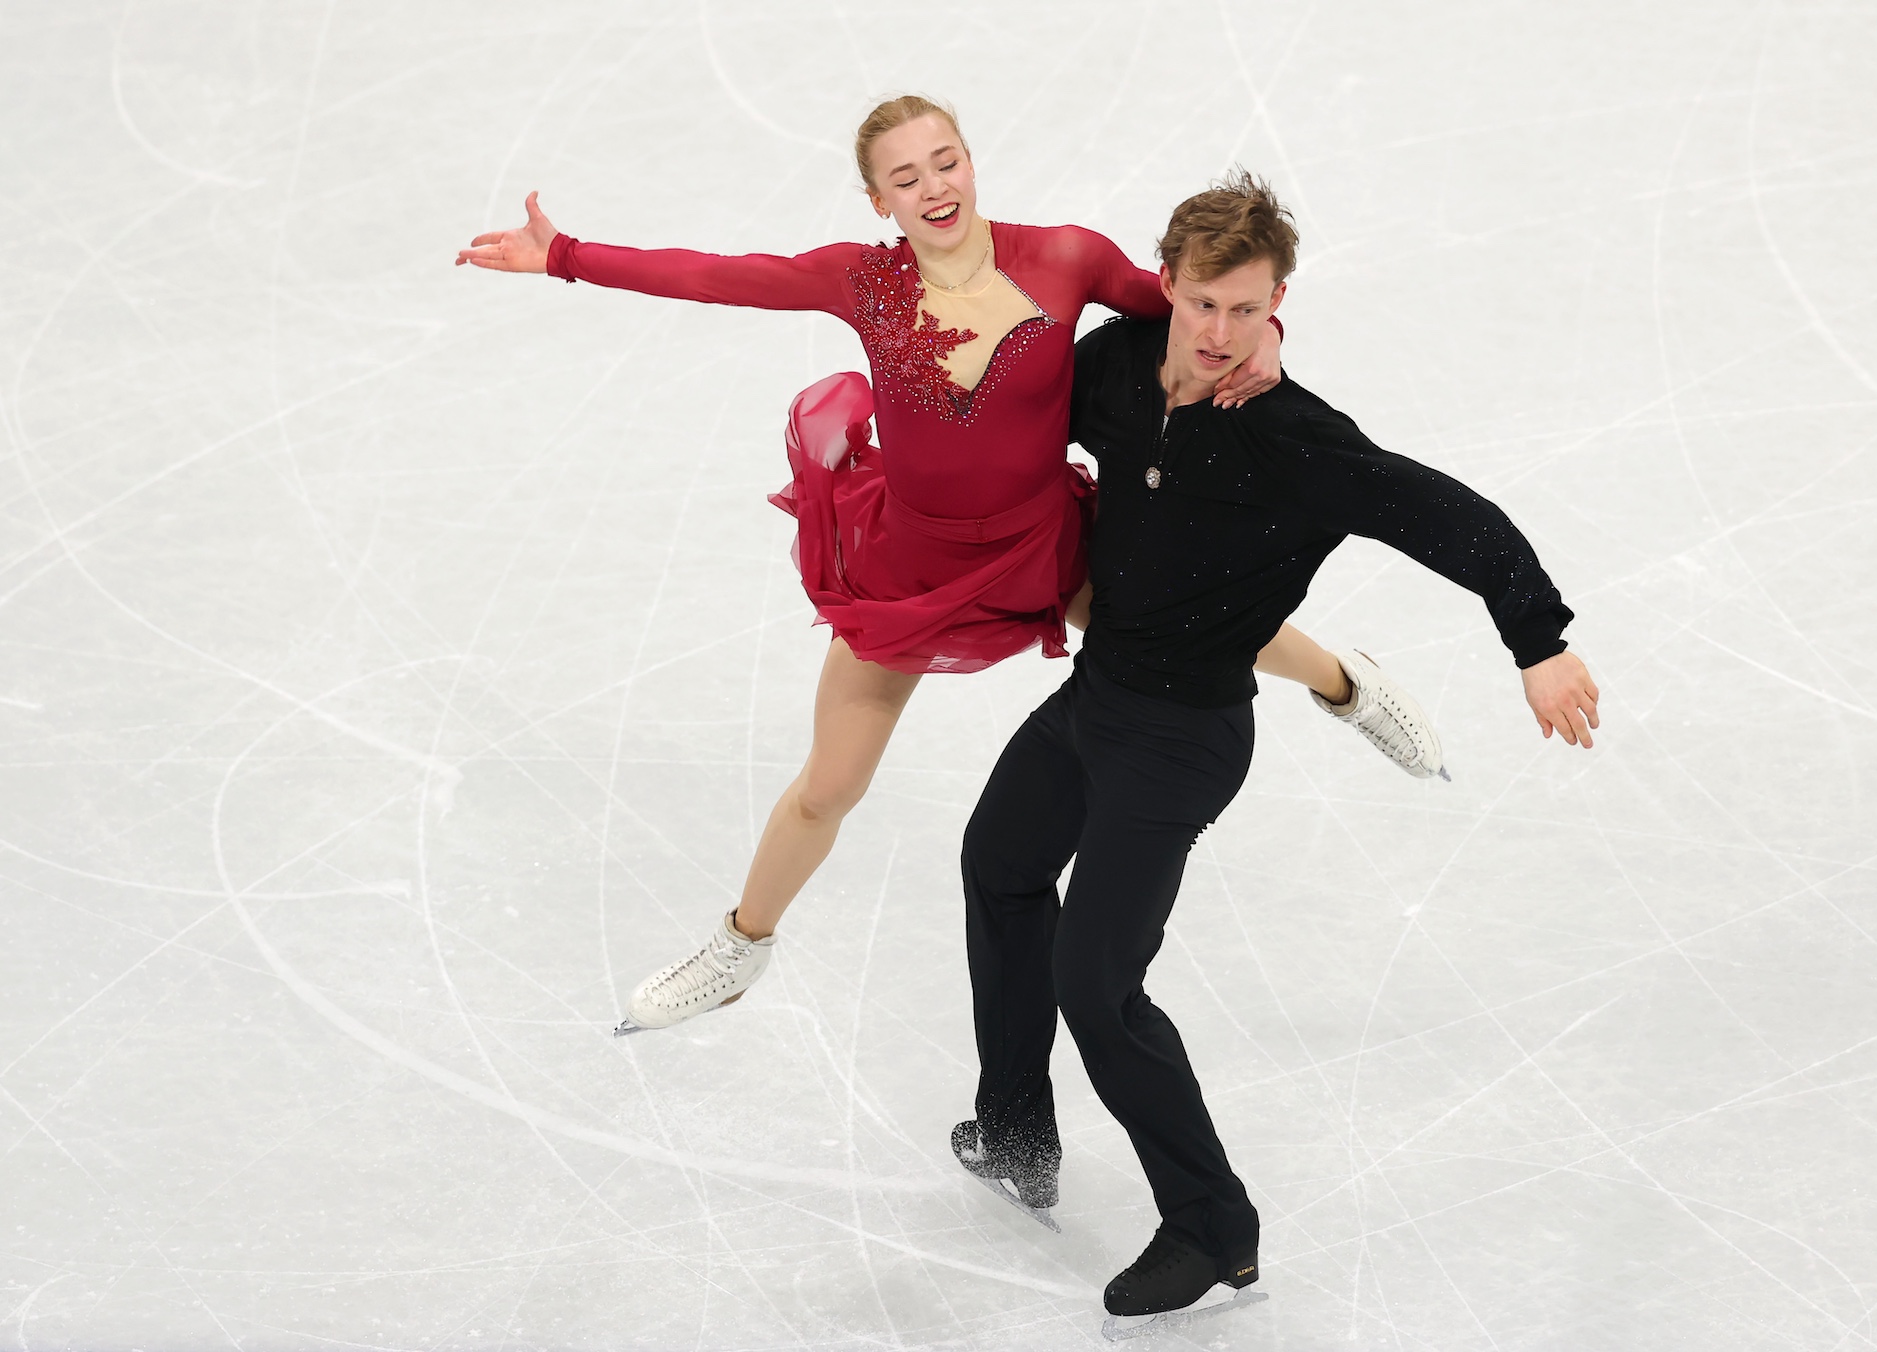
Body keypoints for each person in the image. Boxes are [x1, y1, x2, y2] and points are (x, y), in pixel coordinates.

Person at [456, 96, 1445, 1036]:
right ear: (876, 198)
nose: (932, 184)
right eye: (903, 175)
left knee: (1193, 622)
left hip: (1041, 543)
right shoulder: (860, 278)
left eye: (945, 160)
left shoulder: (1063, 259)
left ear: (971, 163)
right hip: (909, 566)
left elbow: (1194, 304)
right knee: (827, 786)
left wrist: (1266, 328)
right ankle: (739, 946)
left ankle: (1350, 686)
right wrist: (564, 257)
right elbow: (724, 275)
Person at [951, 171, 1600, 1333]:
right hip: (1097, 696)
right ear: (1169, 286)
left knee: (1096, 980)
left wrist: (1538, 641)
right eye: (1204, 303)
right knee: (997, 861)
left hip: (1185, 737)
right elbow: (1003, 403)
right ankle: (1014, 1129)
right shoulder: (1112, 364)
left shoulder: (1295, 441)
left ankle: (1212, 1225)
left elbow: (1450, 515)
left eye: (1246, 310)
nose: (1219, 334)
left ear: (1277, 303)